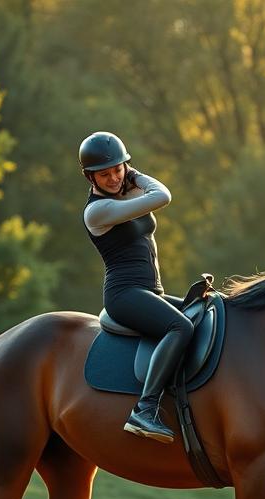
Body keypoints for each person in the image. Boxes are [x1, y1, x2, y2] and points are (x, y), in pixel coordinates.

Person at [79, 131, 193, 444]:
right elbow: (162, 196)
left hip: (149, 291)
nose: (115, 177)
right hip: (124, 295)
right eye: (105, 174)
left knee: (207, 309)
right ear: (90, 177)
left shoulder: (125, 195)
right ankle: (145, 410)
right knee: (179, 327)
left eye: (119, 169)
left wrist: (129, 174)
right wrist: (136, 175)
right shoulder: (98, 211)